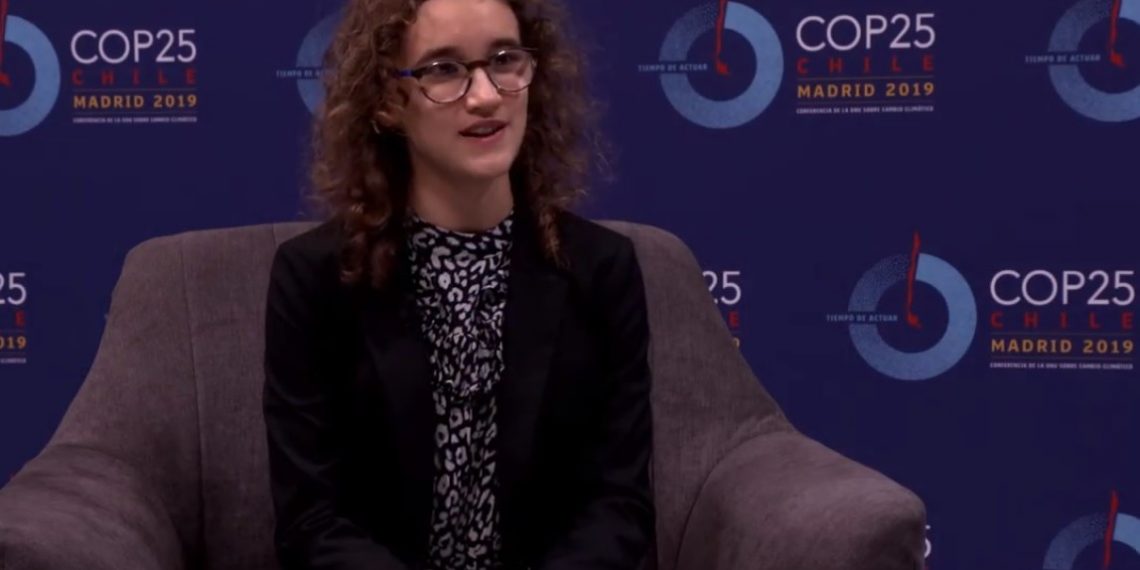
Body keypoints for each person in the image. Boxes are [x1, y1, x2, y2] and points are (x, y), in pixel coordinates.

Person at [261, 0, 655, 568]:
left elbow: (619, 505)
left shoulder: (601, 270)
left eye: (505, 60)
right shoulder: (315, 279)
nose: (486, 95)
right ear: (389, 101)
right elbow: (310, 518)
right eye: (444, 69)